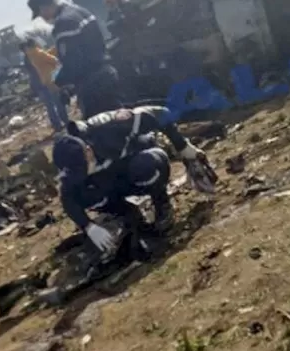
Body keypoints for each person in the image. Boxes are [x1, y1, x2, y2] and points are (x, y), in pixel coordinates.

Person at [52, 105, 215, 264]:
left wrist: (183, 147)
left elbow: (161, 113)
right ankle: (127, 215)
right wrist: (88, 226)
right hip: (110, 184)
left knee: (146, 166)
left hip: (137, 165)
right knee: (83, 195)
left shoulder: (108, 127)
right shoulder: (69, 165)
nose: (82, 174)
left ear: (88, 151)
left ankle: (161, 202)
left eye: (83, 168)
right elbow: (67, 198)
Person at [27, 0, 124, 118]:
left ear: (43, 7)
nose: (43, 18)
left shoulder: (63, 24)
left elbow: (71, 62)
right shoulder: (80, 10)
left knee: (103, 128)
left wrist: (58, 81)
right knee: (121, 119)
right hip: (107, 72)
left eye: (40, 13)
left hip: (92, 85)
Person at [21, 39, 69, 131]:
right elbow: (50, 59)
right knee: (57, 102)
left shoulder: (29, 57)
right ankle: (64, 121)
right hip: (47, 82)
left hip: (41, 84)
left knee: (50, 106)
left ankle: (57, 125)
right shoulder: (36, 54)